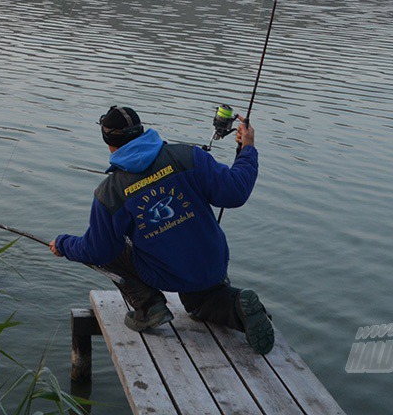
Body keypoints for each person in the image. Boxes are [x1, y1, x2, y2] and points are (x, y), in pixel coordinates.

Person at [49, 105, 274, 355]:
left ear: (108, 142)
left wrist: (63, 245)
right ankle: (236, 306)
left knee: (108, 248)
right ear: (142, 130)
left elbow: (96, 251)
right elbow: (236, 191)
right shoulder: (188, 156)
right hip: (213, 263)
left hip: (165, 275)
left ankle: (149, 306)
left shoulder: (110, 192)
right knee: (197, 301)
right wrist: (247, 149)